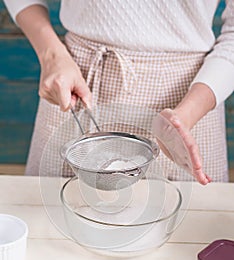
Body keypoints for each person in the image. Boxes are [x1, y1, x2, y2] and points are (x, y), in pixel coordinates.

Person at [3, 0, 234, 184]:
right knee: (47, 223)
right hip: (79, 78)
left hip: (192, 97)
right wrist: (51, 55)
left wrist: (188, 113)